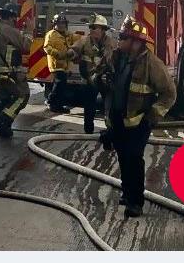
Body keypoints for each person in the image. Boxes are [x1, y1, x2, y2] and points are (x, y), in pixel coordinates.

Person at [94, 17, 175, 217]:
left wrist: (152, 116)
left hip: (139, 122)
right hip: (117, 119)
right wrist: (99, 81)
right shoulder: (114, 56)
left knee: (134, 158)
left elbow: (169, 93)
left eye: (123, 37)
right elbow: (97, 75)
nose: (119, 40)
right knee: (123, 156)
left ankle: (135, 202)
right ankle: (127, 191)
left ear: (136, 42)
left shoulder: (152, 64)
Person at [0, 4, 31, 138]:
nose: (15, 21)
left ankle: (3, 130)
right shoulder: (9, 30)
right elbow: (26, 46)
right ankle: (3, 120)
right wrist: (29, 31)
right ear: (11, 17)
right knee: (22, 96)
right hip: (12, 73)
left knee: (3, 98)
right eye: (14, 18)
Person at [71, 15, 114, 134]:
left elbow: (110, 59)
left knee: (109, 107)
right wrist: (69, 53)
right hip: (89, 79)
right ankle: (88, 131)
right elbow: (74, 50)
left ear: (103, 29)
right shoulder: (85, 40)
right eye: (91, 27)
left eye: (95, 27)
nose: (91, 30)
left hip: (104, 79)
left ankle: (110, 131)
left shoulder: (110, 43)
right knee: (89, 106)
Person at [43, 13, 78, 113]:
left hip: (65, 65)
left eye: (63, 23)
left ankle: (58, 106)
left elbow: (78, 40)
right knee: (59, 84)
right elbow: (46, 47)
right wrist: (57, 54)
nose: (61, 25)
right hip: (56, 64)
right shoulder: (51, 34)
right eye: (59, 23)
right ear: (54, 24)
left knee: (62, 86)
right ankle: (51, 101)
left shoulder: (68, 35)